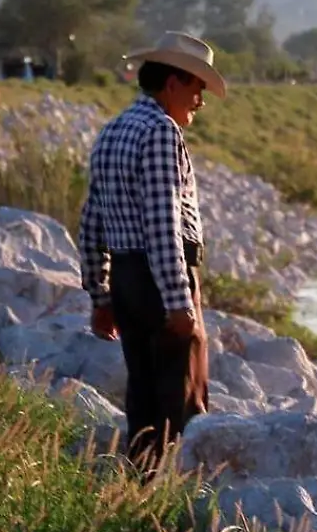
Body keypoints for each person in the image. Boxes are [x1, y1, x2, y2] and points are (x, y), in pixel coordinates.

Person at [77, 31, 228, 477]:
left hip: (126, 280)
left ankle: (139, 488)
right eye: (197, 88)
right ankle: (176, 502)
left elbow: (91, 220)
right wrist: (180, 302)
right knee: (183, 398)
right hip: (162, 277)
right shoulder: (162, 132)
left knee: (142, 395)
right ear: (174, 83)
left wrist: (100, 295)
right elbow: (163, 222)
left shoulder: (113, 130)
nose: (200, 100)